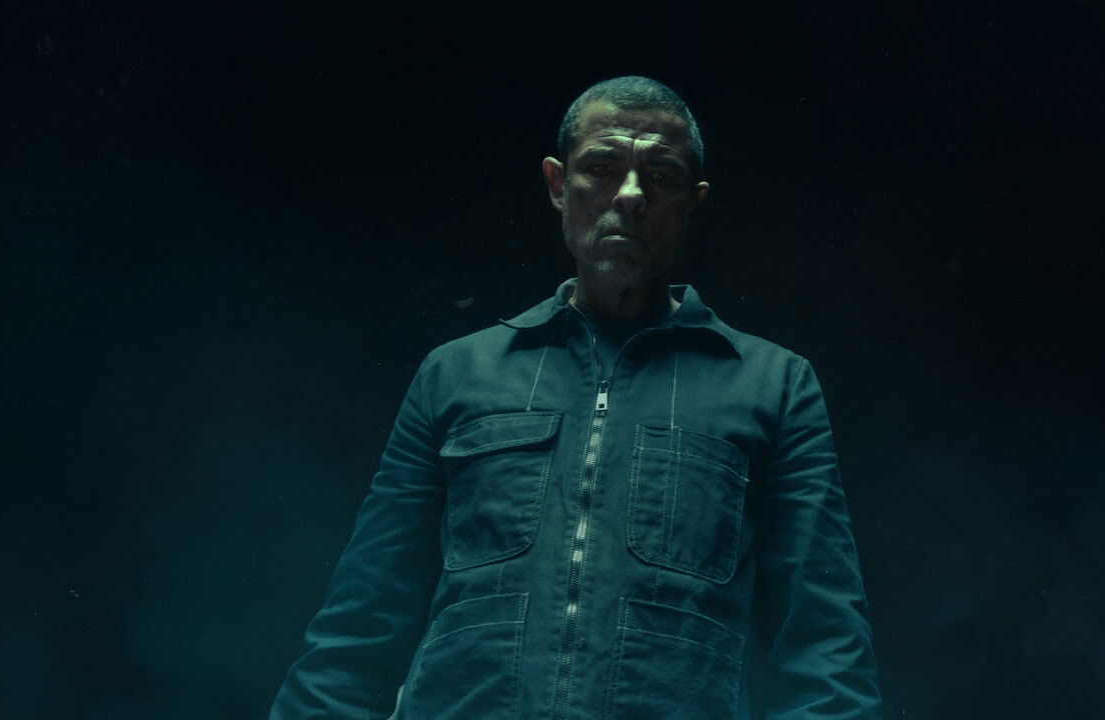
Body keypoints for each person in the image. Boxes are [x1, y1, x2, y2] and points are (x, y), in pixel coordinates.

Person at [270, 76, 882, 720]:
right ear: (559, 184)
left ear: (692, 203)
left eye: (661, 176)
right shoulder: (457, 374)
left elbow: (826, 646)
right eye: (602, 167)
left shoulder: (773, 386)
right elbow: (362, 623)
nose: (632, 194)